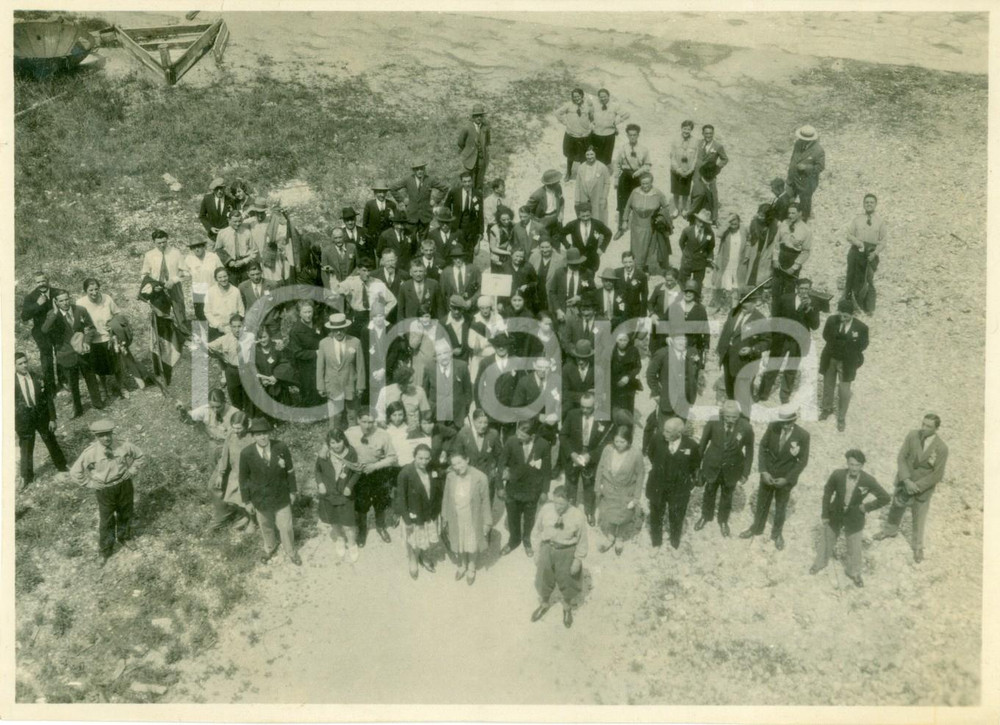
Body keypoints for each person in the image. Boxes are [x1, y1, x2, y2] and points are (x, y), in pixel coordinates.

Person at [874, 414, 949, 563]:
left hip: (922, 489)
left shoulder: (942, 448)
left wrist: (917, 486)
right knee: (896, 506)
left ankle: (918, 546)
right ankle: (890, 530)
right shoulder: (912, 435)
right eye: (923, 424)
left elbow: (937, 474)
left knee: (919, 516)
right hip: (905, 480)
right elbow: (901, 457)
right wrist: (906, 479)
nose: (924, 428)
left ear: (936, 429)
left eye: (928, 426)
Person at [69, 419, 144, 566]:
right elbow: (75, 472)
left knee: (126, 512)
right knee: (107, 519)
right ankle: (105, 550)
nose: (106, 438)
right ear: (96, 436)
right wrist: (90, 483)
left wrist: (132, 470)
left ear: (112, 433)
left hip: (124, 484)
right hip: (105, 490)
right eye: (102, 435)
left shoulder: (123, 445)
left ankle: (124, 537)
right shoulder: (90, 453)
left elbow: (140, 456)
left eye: (108, 434)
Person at [810, 449, 890, 587]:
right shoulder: (837, 475)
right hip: (835, 513)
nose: (853, 468)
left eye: (857, 465)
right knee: (827, 539)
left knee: (855, 545)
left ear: (862, 466)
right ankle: (819, 563)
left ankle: (854, 572)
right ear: (847, 463)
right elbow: (827, 493)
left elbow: (885, 497)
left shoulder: (868, 480)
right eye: (851, 464)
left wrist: (866, 507)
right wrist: (825, 514)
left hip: (855, 517)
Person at [740, 405, 810, 550]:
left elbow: (802, 461)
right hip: (768, 475)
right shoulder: (773, 427)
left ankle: (777, 534)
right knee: (762, 503)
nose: (785, 425)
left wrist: (787, 479)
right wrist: (763, 471)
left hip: (785, 478)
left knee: (780, 507)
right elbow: (762, 448)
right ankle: (756, 528)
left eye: (788, 422)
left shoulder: (803, 435)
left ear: (794, 420)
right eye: (783, 422)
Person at [239, 418, 301, 566]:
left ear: (269, 433)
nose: (262, 437)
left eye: (265, 433)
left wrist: (293, 491)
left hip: (281, 495)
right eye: (258, 434)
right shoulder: (246, 453)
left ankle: (291, 551)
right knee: (265, 525)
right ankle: (270, 547)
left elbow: (290, 471)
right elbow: (243, 479)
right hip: (261, 498)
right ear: (253, 436)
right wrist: (247, 501)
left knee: (285, 527)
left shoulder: (281, 447)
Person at [530, 485, 588, 628]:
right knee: (543, 577)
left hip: (567, 550)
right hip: (547, 548)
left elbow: (582, 541)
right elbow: (536, 531)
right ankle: (544, 604)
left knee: (568, 580)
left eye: (561, 504)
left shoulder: (578, 516)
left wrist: (577, 560)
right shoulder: (546, 510)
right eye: (555, 502)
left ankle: (567, 608)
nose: (558, 507)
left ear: (569, 501)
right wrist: (536, 551)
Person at [41, 289, 105, 417]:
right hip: (66, 354)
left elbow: (90, 328)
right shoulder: (52, 315)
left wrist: (87, 341)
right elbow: (44, 330)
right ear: (56, 302)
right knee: (73, 383)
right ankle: (77, 409)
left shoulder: (80, 310)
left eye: (66, 299)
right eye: (61, 301)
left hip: (83, 351)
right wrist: (54, 312)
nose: (65, 303)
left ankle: (98, 403)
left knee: (90, 378)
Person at [757, 277, 820, 404]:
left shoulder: (814, 303)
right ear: (797, 288)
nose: (803, 291)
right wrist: (773, 336)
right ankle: (763, 393)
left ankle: (784, 396)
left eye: (806, 289)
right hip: (781, 338)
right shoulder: (785, 298)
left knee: (791, 369)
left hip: (798, 341)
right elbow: (776, 317)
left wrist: (809, 310)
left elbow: (815, 325)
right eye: (801, 288)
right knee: (773, 366)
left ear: (810, 289)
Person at [695, 400, 754, 537]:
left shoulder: (746, 427)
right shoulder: (713, 422)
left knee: (727, 495)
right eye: (728, 417)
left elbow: (750, 451)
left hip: (732, 469)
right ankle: (705, 516)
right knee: (709, 491)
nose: (731, 420)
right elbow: (702, 444)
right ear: (722, 414)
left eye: (734, 417)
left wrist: (746, 472)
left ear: (739, 415)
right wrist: (697, 466)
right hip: (712, 465)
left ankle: (723, 521)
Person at [139, 229, 189, 384]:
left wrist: (173, 280)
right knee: (162, 316)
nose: (162, 245)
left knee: (180, 313)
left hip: (173, 286)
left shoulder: (175, 252)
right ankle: (166, 342)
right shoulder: (149, 255)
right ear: (154, 242)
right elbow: (144, 274)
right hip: (158, 290)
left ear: (168, 240)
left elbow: (185, 272)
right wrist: (153, 286)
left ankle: (184, 338)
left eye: (164, 242)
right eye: (159, 242)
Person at [646, 417, 701, 550]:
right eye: (664, 430)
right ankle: (656, 542)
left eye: (668, 432)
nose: (664, 434)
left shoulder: (691, 446)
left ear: (679, 433)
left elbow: (694, 465)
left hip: (679, 488)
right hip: (658, 484)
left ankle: (674, 542)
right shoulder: (656, 439)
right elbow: (651, 455)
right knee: (656, 514)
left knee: (677, 516)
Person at [14, 351, 67, 488]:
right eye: (20, 364)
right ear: (14, 366)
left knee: (50, 440)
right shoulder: (9, 383)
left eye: (25, 362)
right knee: (26, 448)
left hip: (42, 417)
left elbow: (48, 398)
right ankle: (26, 477)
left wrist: (52, 418)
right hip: (24, 421)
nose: (24, 365)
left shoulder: (37, 377)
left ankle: (62, 466)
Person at [346, 410, 398, 546]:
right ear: (358, 420)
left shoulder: (382, 435)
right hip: (359, 474)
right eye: (364, 422)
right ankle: (363, 530)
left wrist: (375, 466)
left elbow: (392, 457)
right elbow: (336, 445)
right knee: (361, 505)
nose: (368, 425)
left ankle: (380, 527)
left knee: (380, 502)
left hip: (378, 473)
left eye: (371, 422)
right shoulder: (350, 433)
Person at [500, 418, 551, 557]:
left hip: (532, 491)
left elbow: (547, 470)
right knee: (512, 517)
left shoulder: (543, 445)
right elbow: (501, 464)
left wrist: (545, 491)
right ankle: (513, 540)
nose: (519, 436)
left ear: (533, 435)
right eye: (518, 431)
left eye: (523, 434)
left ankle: (526, 539)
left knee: (529, 518)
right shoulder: (511, 442)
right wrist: (500, 487)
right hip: (513, 489)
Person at [442, 448, 493, 584]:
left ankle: (471, 567)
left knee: (472, 543)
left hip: (473, 517)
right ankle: (462, 565)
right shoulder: (451, 476)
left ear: (467, 460)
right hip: (456, 517)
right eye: (454, 465)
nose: (458, 467)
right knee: (460, 542)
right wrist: (445, 517)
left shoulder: (480, 477)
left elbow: (486, 502)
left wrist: (487, 522)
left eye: (460, 463)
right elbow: (446, 498)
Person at [819, 298, 869, 432]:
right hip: (831, 358)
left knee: (844, 390)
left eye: (846, 316)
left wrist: (849, 350)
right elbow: (825, 336)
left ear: (853, 314)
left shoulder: (861, 328)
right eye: (841, 314)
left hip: (847, 363)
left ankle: (841, 418)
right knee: (828, 385)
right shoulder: (831, 320)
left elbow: (863, 345)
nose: (843, 317)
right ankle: (826, 408)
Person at [594, 424, 644, 555]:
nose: (619, 444)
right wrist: (597, 486)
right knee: (609, 514)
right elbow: (600, 468)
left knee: (623, 516)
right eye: (616, 441)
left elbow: (640, 476)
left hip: (626, 492)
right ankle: (610, 536)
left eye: (623, 441)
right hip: (609, 490)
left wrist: (636, 497)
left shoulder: (636, 454)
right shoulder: (607, 450)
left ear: (629, 441)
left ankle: (620, 538)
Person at [716, 287, 770, 403]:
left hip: (745, 362)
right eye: (742, 301)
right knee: (730, 391)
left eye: (747, 301)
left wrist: (752, 349)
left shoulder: (761, 319)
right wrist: (720, 349)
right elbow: (726, 331)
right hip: (728, 358)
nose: (744, 304)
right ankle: (732, 415)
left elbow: (767, 341)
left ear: (755, 302)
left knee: (743, 395)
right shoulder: (733, 312)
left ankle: (743, 419)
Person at [395, 443, 443, 578]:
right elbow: (401, 498)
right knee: (413, 540)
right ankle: (413, 560)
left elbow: (437, 490)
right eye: (420, 458)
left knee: (426, 537)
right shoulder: (405, 473)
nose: (424, 462)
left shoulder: (432, 469)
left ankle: (424, 556)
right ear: (414, 456)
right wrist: (407, 519)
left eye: (427, 458)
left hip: (429, 512)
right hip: (414, 514)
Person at [315, 428, 362, 563]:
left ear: (344, 440)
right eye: (332, 443)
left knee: (348, 523)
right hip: (329, 494)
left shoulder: (351, 453)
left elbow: (357, 471)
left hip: (344, 494)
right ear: (328, 444)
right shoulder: (324, 454)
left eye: (339, 442)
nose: (336, 446)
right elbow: (317, 470)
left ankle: (352, 544)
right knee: (334, 520)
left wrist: (349, 486)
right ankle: (340, 539)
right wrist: (320, 484)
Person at [75, 278, 126, 401]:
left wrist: (113, 323)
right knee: (99, 368)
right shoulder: (80, 303)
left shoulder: (107, 298)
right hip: (94, 340)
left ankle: (122, 387)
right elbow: (78, 322)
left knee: (117, 365)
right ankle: (104, 390)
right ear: (85, 290)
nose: (94, 292)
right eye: (90, 290)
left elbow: (118, 313)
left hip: (110, 338)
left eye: (96, 289)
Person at [561, 391, 605, 524]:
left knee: (589, 485)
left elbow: (605, 443)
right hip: (574, 456)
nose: (585, 410)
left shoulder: (603, 418)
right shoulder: (572, 414)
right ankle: (569, 511)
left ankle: (589, 512)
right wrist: (572, 454)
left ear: (595, 405)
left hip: (590, 457)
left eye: (588, 407)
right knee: (571, 484)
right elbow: (563, 436)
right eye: (582, 407)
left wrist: (590, 456)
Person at [317, 312, 365, 429]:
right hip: (333, 385)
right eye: (335, 330)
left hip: (350, 384)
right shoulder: (324, 344)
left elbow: (360, 366)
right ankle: (334, 439)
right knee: (335, 417)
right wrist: (321, 386)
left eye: (341, 329)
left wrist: (360, 386)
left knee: (353, 415)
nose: (338, 332)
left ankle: (354, 438)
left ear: (346, 328)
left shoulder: (355, 342)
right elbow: (320, 367)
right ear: (331, 330)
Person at [209, 411, 256, 532]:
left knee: (248, 499)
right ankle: (245, 516)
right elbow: (225, 454)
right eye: (234, 428)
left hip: (248, 475)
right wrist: (220, 473)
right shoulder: (231, 434)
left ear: (247, 426)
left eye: (239, 428)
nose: (236, 431)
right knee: (235, 497)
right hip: (235, 473)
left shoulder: (252, 438)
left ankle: (253, 521)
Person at [619, 172, 671, 275]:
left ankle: (645, 268)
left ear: (651, 182)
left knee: (649, 247)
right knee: (636, 248)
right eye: (643, 183)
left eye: (647, 183)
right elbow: (627, 206)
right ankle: (637, 269)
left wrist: (660, 217)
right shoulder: (635, 192)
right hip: (636, 225)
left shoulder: (657, 193)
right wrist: (624, 221)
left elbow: (666, 207)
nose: (645, 186)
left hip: (650, 226)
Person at [844, 193, 887, 314]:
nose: (869, 204)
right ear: (863, 204)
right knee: (851, 277)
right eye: (866, 202)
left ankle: (869, 307)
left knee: (869, 279)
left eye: (871, 202)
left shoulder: (880, 222)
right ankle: (849, 306)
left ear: (875, 204)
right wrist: (858, 243)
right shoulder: (857, 220)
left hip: (871, 252)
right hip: (856, 251)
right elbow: (848, 235)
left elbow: (883, 241)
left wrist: (875, 253)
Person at [20, 271, 63, 392]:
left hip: (58, 329)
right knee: (46, 358)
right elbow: (24, 316)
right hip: (41, 332)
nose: (41, 284)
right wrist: (37, 305)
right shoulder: (30, 297)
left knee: (60, 354)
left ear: (48, 280)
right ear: (35, 283)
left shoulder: (57, 292)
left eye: (43, 281)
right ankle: (51, 387)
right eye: (38, 282)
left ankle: (63, 381)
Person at [450, 408, 503, 500]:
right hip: (468, 477)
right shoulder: (463, 434)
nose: (483, 426)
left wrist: (498, 479)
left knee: (486, 506)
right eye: (480, 422)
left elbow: (500, 457)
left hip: (487, 478)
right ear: (473, 421)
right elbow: (456, 455)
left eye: (485, 423)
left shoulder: (493, 434)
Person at [390, 160, 451, 237]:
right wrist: (402, 200)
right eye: (417, 169)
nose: (419, 171)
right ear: (413, 170)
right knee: (411, 239)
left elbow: (444, 188)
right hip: (411, 216)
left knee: (424, 240)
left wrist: (435, 200)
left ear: (424, 169)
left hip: (425, 216)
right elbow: (392, 188)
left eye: (421, 169)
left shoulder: (430, 179)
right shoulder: (408, 179)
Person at [206, 313, 249, 414]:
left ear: (244, 326)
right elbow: (209, 346)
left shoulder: (250, 337)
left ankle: (248, 416)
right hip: (232, 370)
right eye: (234, 327)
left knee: (248, 395)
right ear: (230, 327)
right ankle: (237, 415)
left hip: (246, 370)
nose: (237, 329)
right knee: (234, 394)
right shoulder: (225, 339)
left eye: (239, 326)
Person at [286, 300, 325, 407]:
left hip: (322, 361)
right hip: (306, 366)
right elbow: (297, 353)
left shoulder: (318, 324)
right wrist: (316, 353)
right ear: (299, 313)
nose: (308, 315)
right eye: (305, 312)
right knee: (310, 389)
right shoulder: (295, 331)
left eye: (310, 312)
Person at [613, 123, 652, 230]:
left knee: (638, 200)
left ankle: (639, 225)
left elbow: (648, 165)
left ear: (638, 135)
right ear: (627, 135)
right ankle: (621, 225)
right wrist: (616, 179)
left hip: (638, 177)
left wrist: (639, 172)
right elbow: (617, 164)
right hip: (625, 176)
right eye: (630, 135)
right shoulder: (623, 149)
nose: (632, 137)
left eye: (635, 135)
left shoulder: (644, 149)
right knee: (622, 201)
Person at [770, 204, 812, 301]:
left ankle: (786, 313)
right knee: (776, 288)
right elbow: (776, 242)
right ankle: (775, 312)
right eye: (789, 213)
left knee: (789, 290)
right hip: (781, 256)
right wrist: (775, 259)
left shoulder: (806, 230)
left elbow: (806, 251)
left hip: (793, 258)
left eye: (793, 213)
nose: (790, 215)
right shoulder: (784, 224)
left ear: (800, 213)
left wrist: (794, 267)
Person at [690, 124, 728, 224]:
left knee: (713, 195)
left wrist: (717, 168)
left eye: (710, 133)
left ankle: (714, 218)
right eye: (706, 133)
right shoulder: (698, 143)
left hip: (710, 174)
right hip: (698, 174)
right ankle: (693, 214)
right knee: (697, 193)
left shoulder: (718, 146)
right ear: (703, 133)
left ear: (713, 133)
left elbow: (725, 159)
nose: (708, 135)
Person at [786, 125, 826, 222]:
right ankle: (790, 216)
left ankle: (804, 219)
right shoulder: (798, 144)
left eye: (804, 139)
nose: (802, 140)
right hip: (793, 178)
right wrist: (790, 173)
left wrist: (806, 168)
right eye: (801, 138)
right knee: (789, 197)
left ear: (810, 140)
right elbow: (793, 158)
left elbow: (820, 167)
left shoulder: (818, 150)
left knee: (805, 202)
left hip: (807, 182)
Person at [179, 238, 223, 322]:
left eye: (199, 246)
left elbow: (221, 270)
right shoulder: (189, 259)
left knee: (215, 313)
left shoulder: (213, 256)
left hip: (213, 289)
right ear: (191, 249)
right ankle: (203, 334)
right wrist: (185, 274)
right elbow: (183, 272)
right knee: (200, 314)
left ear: (204, 246)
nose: (197, 249)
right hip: (198, 290)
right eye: (194, 247)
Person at [562, 201, 612, 274]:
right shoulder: (573, 224)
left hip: (592, 258)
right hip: (577, 257)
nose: (585, 218)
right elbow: (561, 234)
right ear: (578, 215)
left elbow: (608, 234)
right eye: (583, 216)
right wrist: (568, 246)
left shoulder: (597, 224)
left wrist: (602, 248)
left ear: (591, 214)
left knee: (590, 277)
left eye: (587, 216)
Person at [556, 88, 594, 181]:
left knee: (583, 157)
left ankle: (582, 174)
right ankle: (568, 172)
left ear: (582, 95)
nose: (576, 98)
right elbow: (557, 113)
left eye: (578, 96)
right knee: (570, 156)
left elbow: (592, 118)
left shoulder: (588, 106)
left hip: (584, 136)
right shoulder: (568, 105)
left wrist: (590, 127)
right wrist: (565, 122)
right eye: (574, 97)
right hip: (571, 135)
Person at [444, 170, 484, 261]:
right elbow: (446, 208)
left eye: (469, 181)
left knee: (469, 255)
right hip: (457, 227)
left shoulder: (478, 194)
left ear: (472, 181)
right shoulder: (454, 192)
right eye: (465, 181)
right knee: (456, 252)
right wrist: (447, 223)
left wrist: (481, 233)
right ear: (461, 182)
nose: (467, 184)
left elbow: (481, 214)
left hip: (471, 230)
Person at [375, 366, 430, 431]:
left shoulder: (419, 392)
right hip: (391, 430)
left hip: (413, 431)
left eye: (412, 381)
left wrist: (420, 426)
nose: (413, 385)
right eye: (409, 383)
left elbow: (426, 415)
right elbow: (380, 412)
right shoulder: (385, 391)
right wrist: (382, 422)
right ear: (400, 384)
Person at [711, 213, 745, 311]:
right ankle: (718, 304)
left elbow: (748, 242)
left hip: (738, 261)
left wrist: (746, 255)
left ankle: (731, 306)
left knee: (736, 284)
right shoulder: (726, 232)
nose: (733, 223)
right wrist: (727, 222)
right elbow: (718, 234)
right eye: (731, 221)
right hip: (725, 261)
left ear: (739, 222)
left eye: (735, 220)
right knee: (722, 283)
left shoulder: (743, 230)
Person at [215, 209, 256, 287]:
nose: (237, 224)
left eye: (240, 221)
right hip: (230, 268)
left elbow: (254, 251)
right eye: (235, 221)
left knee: (245, 288)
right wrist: (229, 261)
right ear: (229, 220)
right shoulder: (222, 233)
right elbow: (218, 250)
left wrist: (244, 261)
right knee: (231, 289)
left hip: (244, 267)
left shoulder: (247, 232)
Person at [203, 266, 245, 342]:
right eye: (220, 277)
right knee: (215, 350)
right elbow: (207, 312)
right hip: (216, 328)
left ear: (228, 276)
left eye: (225, 276)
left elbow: (241, 311)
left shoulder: (236, 291)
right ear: (216, 279)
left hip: (232, 328)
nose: (223, 279)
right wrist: (218, 325)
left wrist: (234, 326)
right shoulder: (210, 292)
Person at [589, 88, 628, 167]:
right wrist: (592, 123)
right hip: (597, 133)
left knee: (607, 154)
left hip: (609, 134)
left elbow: (626, 114)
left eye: (605, 96)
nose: (603, 98)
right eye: (601, 97)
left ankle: (604, 170)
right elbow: (589, 115)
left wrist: (616, 122)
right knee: (596, 153)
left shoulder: (615, 106)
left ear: (608, 96)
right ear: (598, 97)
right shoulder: (594, 105)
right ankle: (595, 168)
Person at [738, 203, 775, 288]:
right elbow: (748, 239)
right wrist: (747, 254)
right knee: (751, 274)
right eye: (759, 214)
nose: (760, 217)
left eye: (763, 216)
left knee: (763, 276)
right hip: (754, 252)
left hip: (766, 254)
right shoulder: (753, 224)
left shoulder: (774, 226)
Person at [678, 208, 716, 289]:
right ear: (696, 220)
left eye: (704, 223)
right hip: (687, 261)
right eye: (700, 221)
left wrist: (708, 259)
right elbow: (681, 243)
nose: (701, 224)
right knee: (682, 283)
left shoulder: (710, 233)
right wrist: (687, 253)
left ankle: (696, 300)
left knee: (697, 285)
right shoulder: (687, 230)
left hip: (700, 262)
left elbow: (711, 247)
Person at [457, 103, 491, 192]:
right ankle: (467, 198)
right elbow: (460, 143)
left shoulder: (485, 128)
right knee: (468, 180)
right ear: (473, 116)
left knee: (479, 181)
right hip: (469, 159)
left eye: (480, 116)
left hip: (481, 159)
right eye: (476, 116)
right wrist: (468, 151)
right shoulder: (467, 128)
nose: (479, 118)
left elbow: (487, 142)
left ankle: (477, 199)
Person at [574, 147, 612, 225]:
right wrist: (577, 199)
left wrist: (604, 198)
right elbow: (577, 184)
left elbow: (607, 183)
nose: (589, 157)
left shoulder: (602, 167)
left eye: (591, 154)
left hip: (597, 196)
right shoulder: (581, 167)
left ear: (595, 154)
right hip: (584, 197)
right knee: (585, 216)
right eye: (587, 154)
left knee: (598, 217)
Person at [525, 169, 566, 240]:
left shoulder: (558, 188)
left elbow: (562, 201)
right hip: (543, 221)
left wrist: (561, 213)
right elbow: (527, 211)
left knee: (557, 240)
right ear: (551, 184)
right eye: (557, 182)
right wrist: (536, 224)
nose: (559, 183)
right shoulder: (537, 195)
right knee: (544, 242)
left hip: (556, 219)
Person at [440, 245, 482, 312]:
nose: (458, 260)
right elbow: (442, 294)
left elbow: (481, 288)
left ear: (464, 257)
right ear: (452, 258)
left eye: (460, 257)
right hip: (453, 310)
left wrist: (471, 301)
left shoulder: (473, 269)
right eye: (455, 258)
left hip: (470, 309)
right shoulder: (446, 272)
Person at [669, 120, 698, 217]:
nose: (686, 131)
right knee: (676, 191)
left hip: (688, 171)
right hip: (676, 170)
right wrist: (678, 169)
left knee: (685, 191)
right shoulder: (675, 140)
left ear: (691, 130)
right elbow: (672, 157)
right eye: (684, 129)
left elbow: (695, 158)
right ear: (681, 128)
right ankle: (677, 209)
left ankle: (685, 209)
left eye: (688, 129)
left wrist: (690, 170)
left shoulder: (695, 141)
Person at [361, 180, 398, 254]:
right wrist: (368, 237)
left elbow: (396, 223)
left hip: (388, 239)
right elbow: (365, 224)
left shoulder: (392, 204)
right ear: (375, 193)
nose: (382, 195)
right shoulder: (369, 205)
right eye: (379, 192)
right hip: (373, 240)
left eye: (384, 192)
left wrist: (393, 218)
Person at [610, 332, 641, 416]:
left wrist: (628, 377)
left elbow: (637, 367)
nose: (623, 342)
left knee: (628, 409)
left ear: (628, 341)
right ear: (616, 340)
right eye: (620, 340)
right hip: (613, 384)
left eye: (625, 340)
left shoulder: (634, 350)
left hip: (628, 385)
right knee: (613, 407)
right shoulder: (611, 350)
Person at [199, 177, 232, 242]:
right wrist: (210, 228)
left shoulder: (230, 200)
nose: (219, 191)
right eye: (217, 189)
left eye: (221, 188)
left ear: (224, 188)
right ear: (213, 190)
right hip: (212, 237)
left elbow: (233, 217)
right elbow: (202, 216)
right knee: (211, 252)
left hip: (227, 236)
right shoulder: (207, 199)